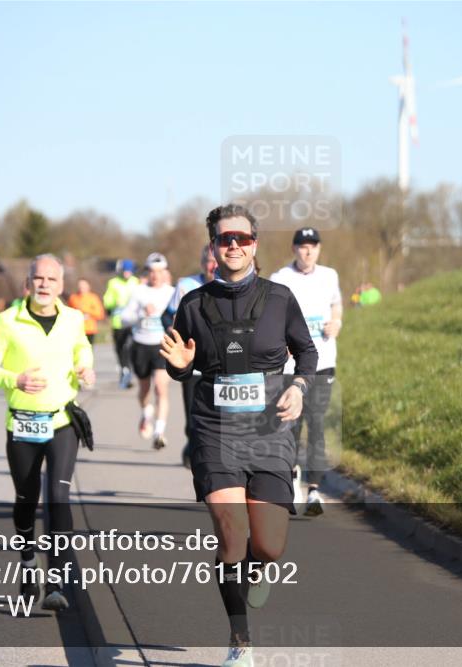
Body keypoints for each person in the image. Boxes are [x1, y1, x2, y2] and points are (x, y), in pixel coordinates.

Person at [161, 204, 316, 667]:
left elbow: (306, 352)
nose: (233, 246)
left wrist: (301, 387)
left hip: (269, 431)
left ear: (255, 245)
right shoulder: (192, 304)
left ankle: (259, 565)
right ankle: (239, 642)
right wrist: (178, 367)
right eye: (224, 239)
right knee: (231, 535)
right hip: (216, 430)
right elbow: (176, 362)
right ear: (212, 247)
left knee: (268, 545)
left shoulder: (280, 298)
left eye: (242, 239)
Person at [0, 254, 95, 612]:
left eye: (51, 279)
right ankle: (28, 561)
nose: (44, 284)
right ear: (28, 283)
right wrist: (15, 379)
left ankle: (56, 580)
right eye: (38, 278)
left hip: (62, 422)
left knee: (58, 498)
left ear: (61, 285)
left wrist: (85, 367)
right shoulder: (7, 322)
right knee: (26, 499)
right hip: (23, 422)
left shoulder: (74, 319)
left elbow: (82, 348)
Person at [270, 227, 342, 516]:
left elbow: (336, 305)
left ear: (319, 249)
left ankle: (314, 490)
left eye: (313, 245)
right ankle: (289, 481)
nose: (308, 251)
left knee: (317, 423)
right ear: (294, 249)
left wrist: (337, 323)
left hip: (323, 360)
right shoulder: (280, 278)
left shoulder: (330, 275)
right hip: (291, 365)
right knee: (290, 425)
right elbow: (271, 315)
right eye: (302, 246)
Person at [162, 244, 218, 467]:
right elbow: (166, 316)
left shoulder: (229, 287)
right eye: (209, 261)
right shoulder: (186, 285)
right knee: (193, 414)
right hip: (192, 363)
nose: (213, 266)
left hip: (220, 365)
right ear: (202, 263)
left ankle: (206, 453)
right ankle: (193, 445)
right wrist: (173, 330)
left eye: (216, 261)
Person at [119, 253, 176, 450]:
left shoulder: (172, 292)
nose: (156, 276)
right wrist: (141, 313)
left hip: (163, 345)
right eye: (152, 272)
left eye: (160, 272)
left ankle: (159, 432)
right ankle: (146, 413)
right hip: (141, 344)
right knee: (144, 389)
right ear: (147, 273)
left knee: (161, 387)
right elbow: (124, 318)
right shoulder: (139, 292)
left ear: (165, 273)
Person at [103, 259, 140, 389]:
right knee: (119, 349)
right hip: (118, 322)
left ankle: (128, 370)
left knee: (128, 347)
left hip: (133, 321)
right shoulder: (113, 283)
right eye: (125, 271)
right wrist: (114, 302)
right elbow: (107, 301)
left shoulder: (136, 282)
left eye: (129, 271)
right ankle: (124, 370)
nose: (126, 273)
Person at [67, 278, 106, 346]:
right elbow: (68, 314)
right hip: (77, 330)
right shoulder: (73, 298)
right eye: (80, 285)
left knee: (88, 351)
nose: (81, 287)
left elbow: (100, 314)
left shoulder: (93, 298)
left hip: (90, 330)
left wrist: (86, 311)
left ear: (88, 286)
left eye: (83, 285)